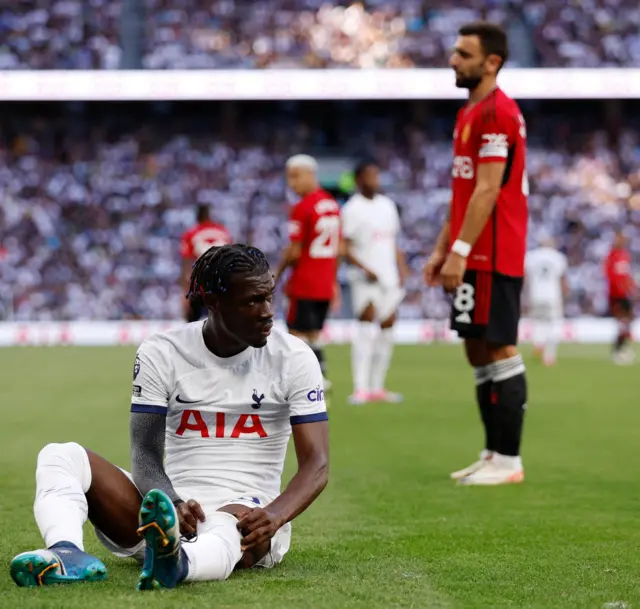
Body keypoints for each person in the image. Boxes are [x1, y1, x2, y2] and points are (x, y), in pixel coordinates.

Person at [10, 244, 329, 590]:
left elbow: (317, 463)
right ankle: (66, 552)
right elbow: (144, 453)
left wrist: (276, 515)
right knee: (60, 455)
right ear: (213, 301)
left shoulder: (294, 358)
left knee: (230, 526)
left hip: (247, 511)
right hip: (167, 514)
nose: (267, 312)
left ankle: (178, 564)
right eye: (252, 301)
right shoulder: (162, 351)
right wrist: (171, 499)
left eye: (269, 297)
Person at [424, 21, 529, 486]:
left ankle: (509, 460)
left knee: (500, 346)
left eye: (464, 54)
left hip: (493, 250)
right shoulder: (469, 113)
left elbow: (488, 191)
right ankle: (491, 453)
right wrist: (442, 247)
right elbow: (464, 192)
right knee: (476, 349)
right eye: (454, 51)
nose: (453, 60)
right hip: (471, 250)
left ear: (492, 62)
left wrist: (460, 251)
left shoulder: (496, 113)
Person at [340, 160, 408, 404]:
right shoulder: (351, 208)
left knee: (388, 327)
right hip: (364, 278)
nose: (375, 180)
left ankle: (378, 386)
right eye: (370, 175)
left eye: (376, 175)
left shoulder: (388, 206)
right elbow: (344, 246)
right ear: (358, 179)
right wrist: (363, 268)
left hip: (389, 275)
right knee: (366, 327)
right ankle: (361, 387)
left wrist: (402, 269)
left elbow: (393, 242)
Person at [274, 155, 341, 391]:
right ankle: (321, 374)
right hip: (323, 282)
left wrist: (276, 274)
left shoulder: (302, 207)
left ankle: (305, 380)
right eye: (288, 178)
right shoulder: (332, 204)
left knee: (296, 333)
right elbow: (339, 248)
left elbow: (294, 251)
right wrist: (333, 281)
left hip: (304, 281)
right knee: (314, 333)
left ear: (310, 174)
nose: (291, 184)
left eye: (295, 176)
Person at [180, 204, 232, 322]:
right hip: (221, 283)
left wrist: (185, 292)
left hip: (200, 284)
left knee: (191, 322)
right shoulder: (223, 231)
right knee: (222, 321)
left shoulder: (191, 233)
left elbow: (187, 263)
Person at [524, 237, 568, 367]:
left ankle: (538, 343)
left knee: (537, 323)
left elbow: (526, 278)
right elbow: (562, 279)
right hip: (553, 296)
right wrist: (565, 294)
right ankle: (549, 356)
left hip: (535, 295)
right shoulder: (558, 257)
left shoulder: (530, 256)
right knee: (554, 324)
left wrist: (526, 295)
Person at [604, 230, 636, 365]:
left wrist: (632, 288)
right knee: (623, 321)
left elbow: (626, 276)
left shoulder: (625, 255)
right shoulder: (611, 255)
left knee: (627, 320)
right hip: (616, 295)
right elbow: (610, 276)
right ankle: (618, 349)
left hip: (625, 293)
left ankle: (622, 346)